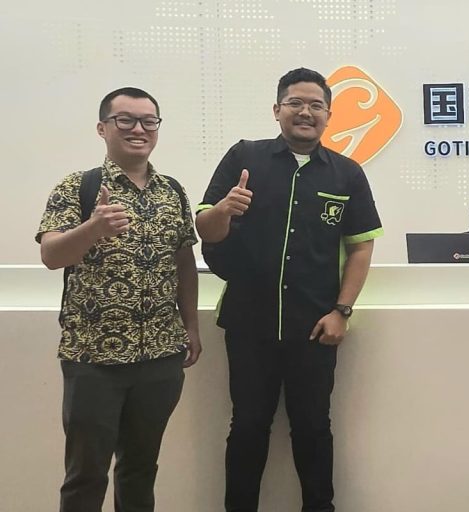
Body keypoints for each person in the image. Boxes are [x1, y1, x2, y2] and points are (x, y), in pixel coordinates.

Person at [195, 67, 383, 512]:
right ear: (277, 109)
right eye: (295, 103)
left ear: (329, 115)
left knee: (314, 428)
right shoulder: (245, 157)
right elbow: (205, 229)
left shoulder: (347, 174)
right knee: (247, 427)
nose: (305, 112)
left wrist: (342, 310)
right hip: (249, 322)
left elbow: (361, 247)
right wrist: (224, 209)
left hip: (315, 326)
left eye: (316, 105)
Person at [37, 87, 201, 512]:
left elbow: (184, 261)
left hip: (161, 355)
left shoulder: (173, 191)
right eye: (125, 119)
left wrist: (192, 326)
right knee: (86, 475)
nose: (138, 129)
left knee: (140, 469)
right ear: (103, 128)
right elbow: (52, 256)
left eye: (149, 121)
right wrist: (92, 228)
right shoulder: (78, 187)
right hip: (93, 359)